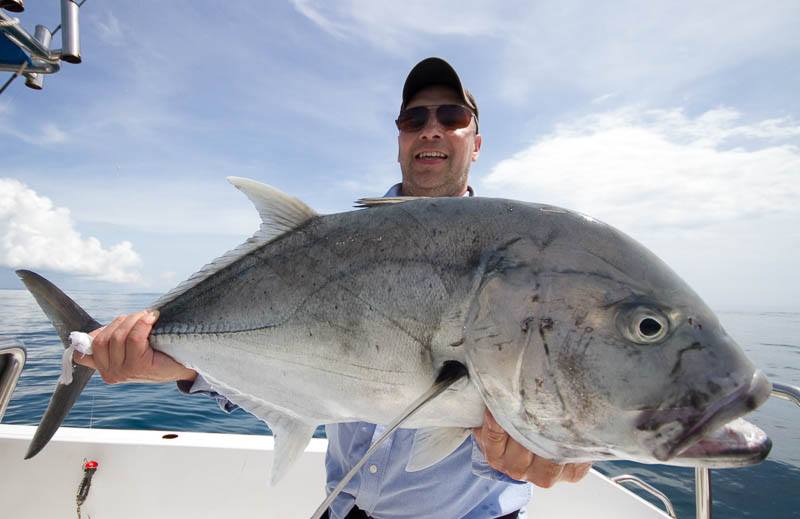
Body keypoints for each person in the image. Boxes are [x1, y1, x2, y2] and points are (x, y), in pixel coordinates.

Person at [74, 57, 591, 518]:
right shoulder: (328, 246)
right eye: (415, 119)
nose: (431, 129)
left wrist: (553, 439)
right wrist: (175, 363)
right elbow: (283, 355)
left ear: (475, 142)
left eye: (451, 117)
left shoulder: (521, 264)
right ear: (400, 140)